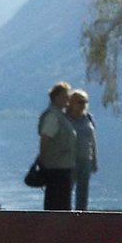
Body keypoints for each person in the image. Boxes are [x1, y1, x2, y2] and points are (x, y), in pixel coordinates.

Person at [35, 82, 77, 211]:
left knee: (62, 203)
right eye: (65, 96)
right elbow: (45, 139)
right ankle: (54, 228)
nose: (68, 100)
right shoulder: (53, 116)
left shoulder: (60, 115)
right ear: (56, 97)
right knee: (56, 203)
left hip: (62, 165)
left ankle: (60, 227)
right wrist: (42, 160)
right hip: (56, 168)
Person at [65, 89, 99, 211]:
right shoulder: (65, 119)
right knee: (67, 189)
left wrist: (94, 159)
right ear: (71, 102)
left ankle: (82, 214)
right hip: (69, 160)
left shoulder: (88, 118)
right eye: (80, 101)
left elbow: (93, 140)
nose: (83, 104)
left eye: (85, 101)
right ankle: (66, 214)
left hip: (86, 159)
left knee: (83, 190)